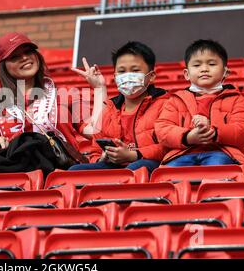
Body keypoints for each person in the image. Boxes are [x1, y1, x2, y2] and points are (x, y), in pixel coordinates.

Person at [69, 41, 169, 173]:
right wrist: (102, 158)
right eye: (122, 71)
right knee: (74, 171)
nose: (127, 76)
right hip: (115, 165)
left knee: (135, 168)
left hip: (152, 163)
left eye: (135, 70)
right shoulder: (109, 110)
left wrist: (133, 155)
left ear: (151, 77)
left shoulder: (167, 104)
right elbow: (95, 151)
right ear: (115, 77)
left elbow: (170, 146)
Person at [154, 39, 244, 166]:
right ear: (186, 74)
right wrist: (188, 137)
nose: (204, 69)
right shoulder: (175, 100)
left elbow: (243, 132)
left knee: (217, 168)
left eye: (212, 64)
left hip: (221, 152)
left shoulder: (236, 99)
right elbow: (162, 130)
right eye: (197, 65)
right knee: (168, 174)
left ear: (225, 72)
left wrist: (213, 130)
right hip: (182, 153)